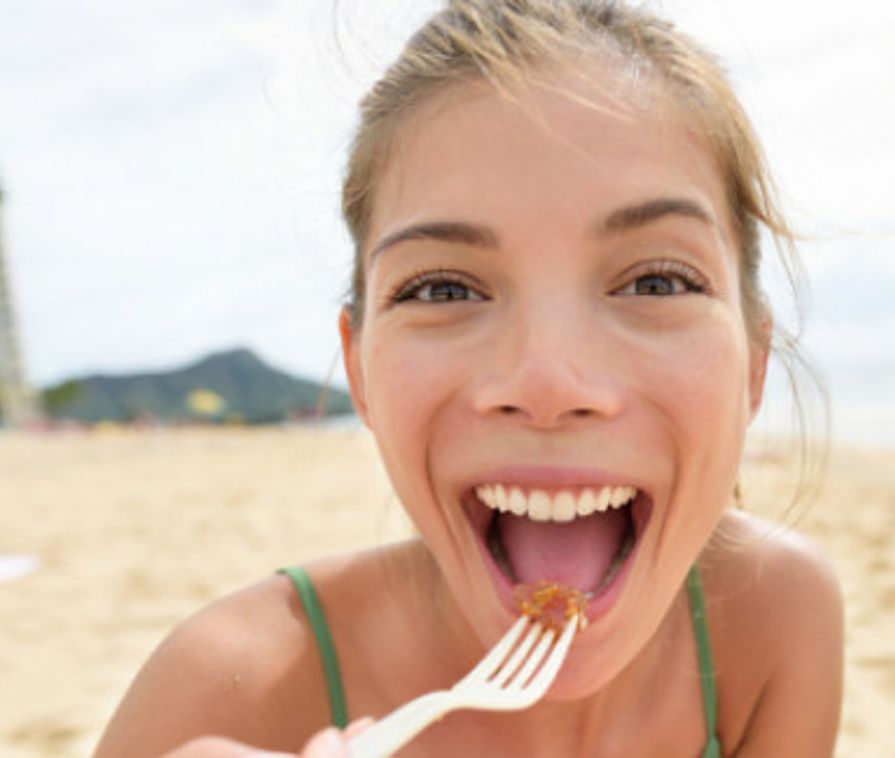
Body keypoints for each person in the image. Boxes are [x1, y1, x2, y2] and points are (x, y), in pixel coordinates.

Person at [94, 1, 842, 755]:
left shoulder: (774, 620)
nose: (548, 382)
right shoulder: (225, 694)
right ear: (360, 375)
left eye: (654, 282)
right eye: (443, 290)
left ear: (752, 361)